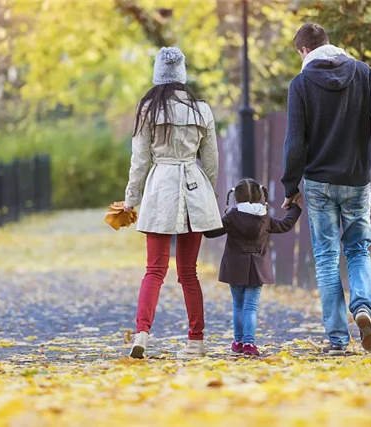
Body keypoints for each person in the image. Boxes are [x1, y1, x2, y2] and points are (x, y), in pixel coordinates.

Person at [281, 23, 371, 354]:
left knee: (327, 258)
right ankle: (364, 308)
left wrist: (289, 186)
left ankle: (338, 340)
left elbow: (295, 142)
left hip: (318, 184)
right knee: (357, 250)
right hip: (355, 182)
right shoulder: (362, 73)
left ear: (303, 51)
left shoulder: (301, 84)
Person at [124, 47, 222, 359]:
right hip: (194, 187)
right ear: (182, 75)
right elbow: (212, 161)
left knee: (154, 270)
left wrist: (131, 200)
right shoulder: (201, 109)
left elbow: (139, 161)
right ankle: (196, 340)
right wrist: (208, 193)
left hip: (160, 189)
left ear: (157, 75)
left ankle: (142, 333)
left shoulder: (148, 110)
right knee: (188, 272)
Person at [204, 178, 301, 356]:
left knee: (238, 305)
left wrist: (204, 216)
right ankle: (249, 343)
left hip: (235, 268)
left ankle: (238, 342)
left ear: (237, 198)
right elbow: (285, 225)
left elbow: (211, 232)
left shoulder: (232, 216)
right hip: (257, 269)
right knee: (250, 307)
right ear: (260, 196)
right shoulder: (264, 218)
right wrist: (295, 208)